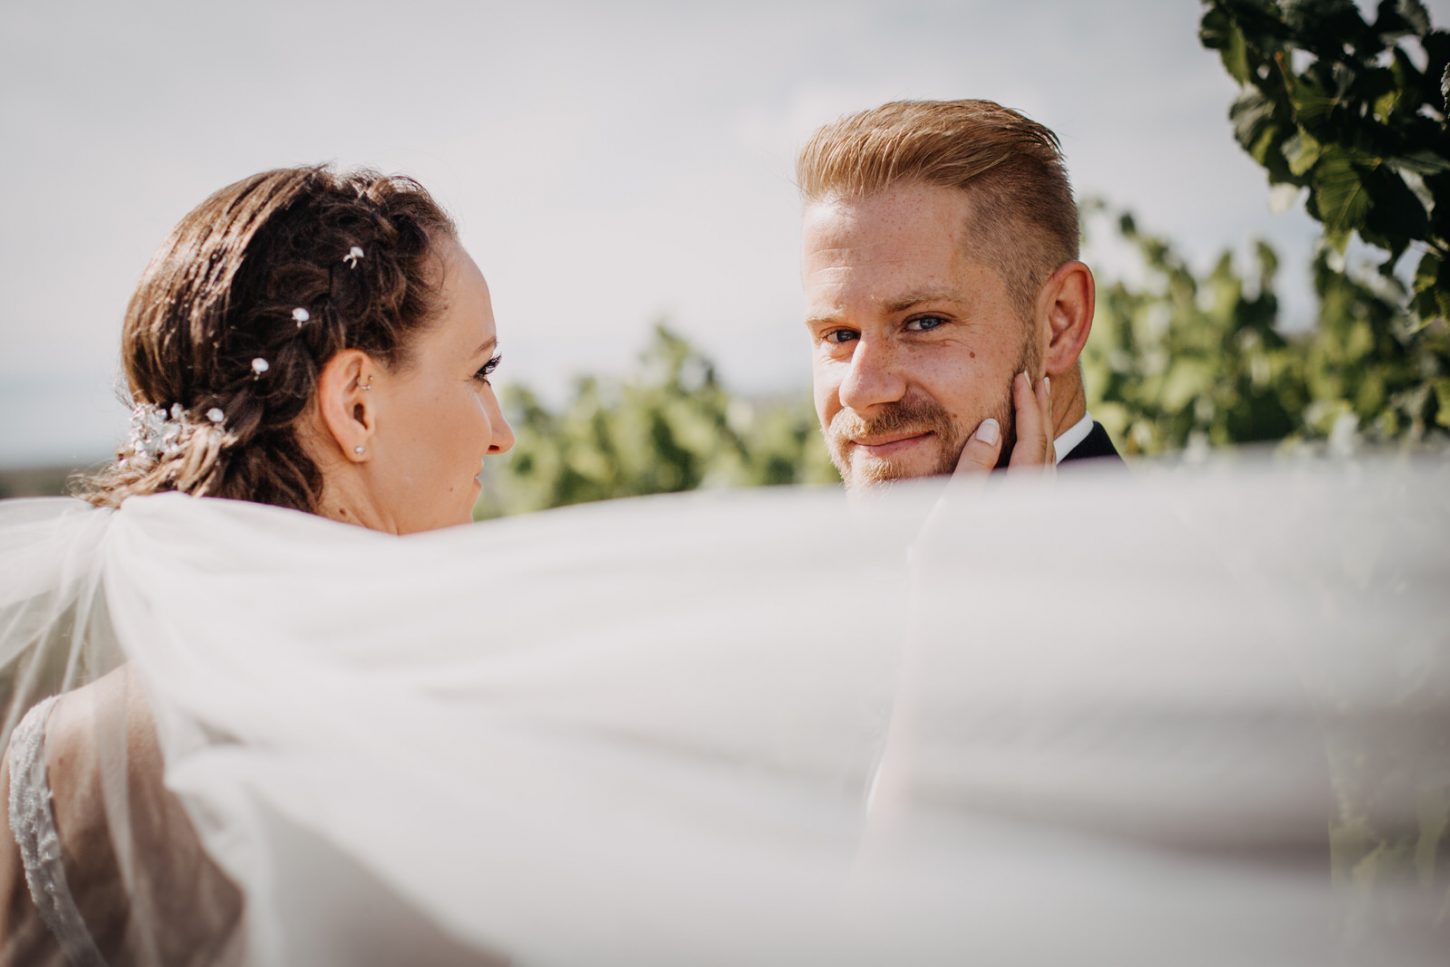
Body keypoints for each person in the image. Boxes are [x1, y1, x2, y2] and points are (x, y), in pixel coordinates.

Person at [0, 164, 515, 963]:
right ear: (356, 406)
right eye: (481, 371)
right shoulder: (467, 717)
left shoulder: (51, 758)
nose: (500, 431)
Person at [796, 99, 1123, 491]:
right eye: (839, 335)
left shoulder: (1148, 551)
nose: (859, 390)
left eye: (923, 323)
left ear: (1059, 322)